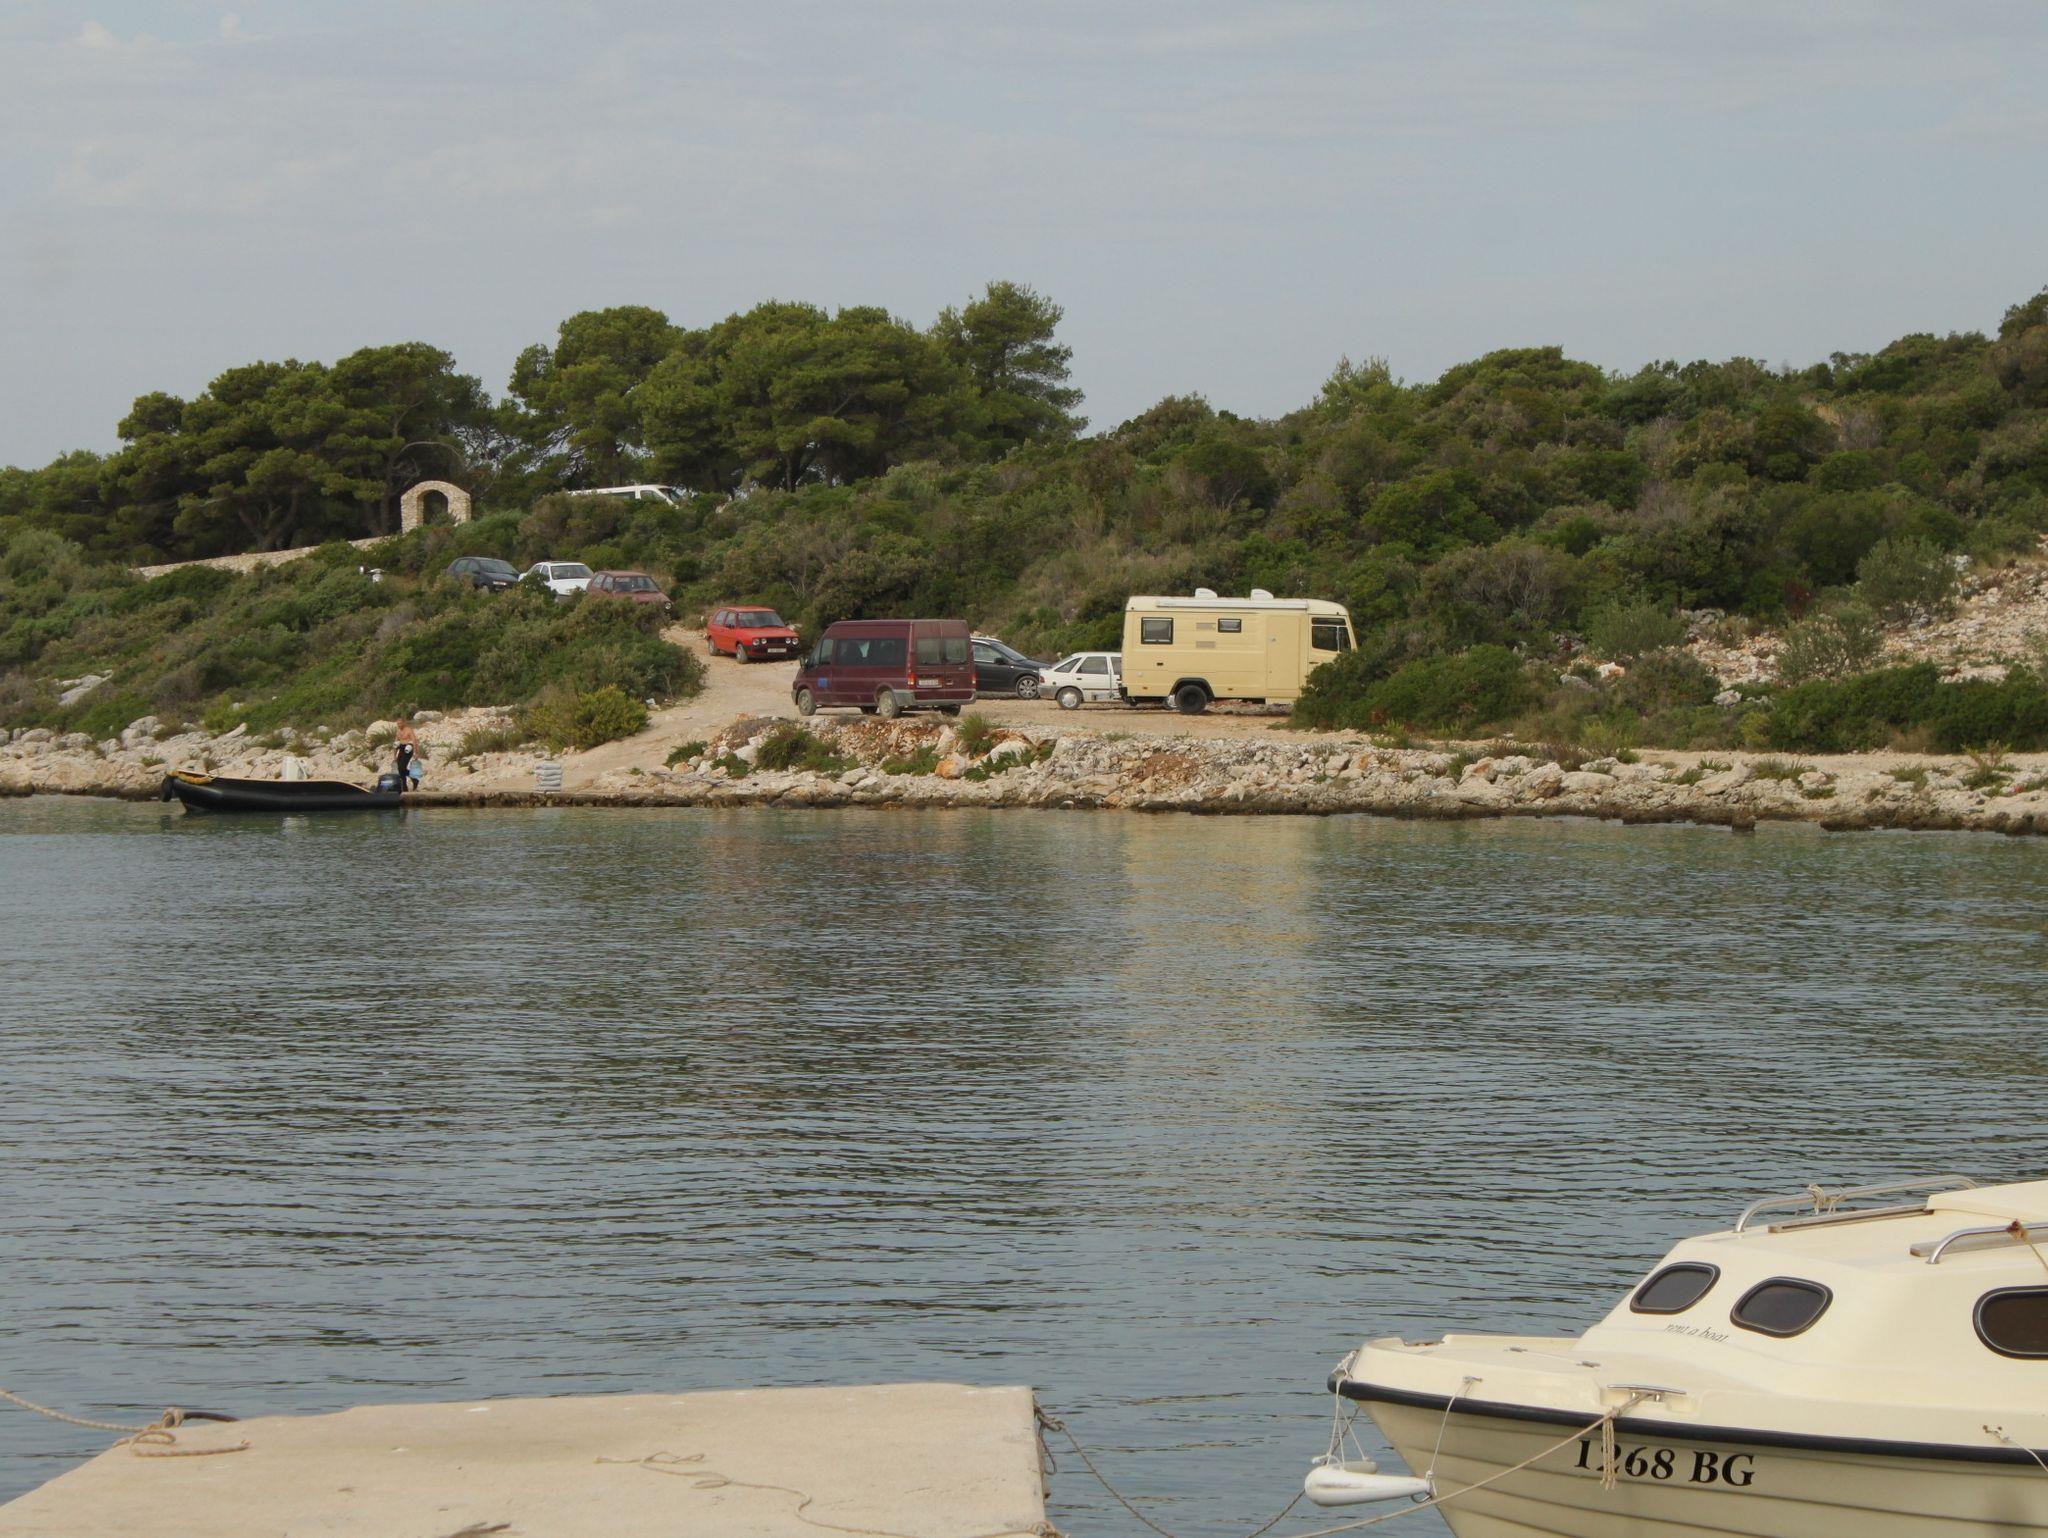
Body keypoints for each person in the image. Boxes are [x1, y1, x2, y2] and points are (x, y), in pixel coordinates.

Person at [393, 716, 419, 793]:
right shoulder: (398, 731)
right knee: (400, 769)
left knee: (402, 768)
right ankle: (409, 784)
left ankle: (408, 785)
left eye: (400, 723)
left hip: (408, 749)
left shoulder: (409, 730)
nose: (399, 725)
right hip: (401, 748)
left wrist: (415, 753)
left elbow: (414, 741)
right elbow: (395, 744)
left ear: (404, 723)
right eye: (398, 724)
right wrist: (394, 756)